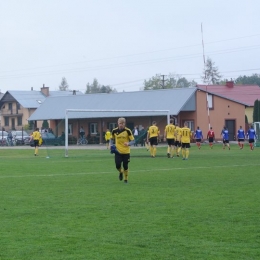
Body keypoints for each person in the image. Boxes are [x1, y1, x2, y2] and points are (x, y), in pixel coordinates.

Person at [110, 117, 135, 183]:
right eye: (120, 123)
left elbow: (133, 141)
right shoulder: (114, 131)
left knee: (125, 166)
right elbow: (111, 139)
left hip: (126, 152)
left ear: (125, 123)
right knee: (117, 165)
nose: (121, 125)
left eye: (123, 123)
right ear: (118, 123)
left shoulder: (128, 131)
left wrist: (128, 143)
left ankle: (125, 179)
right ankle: (121, 172)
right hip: (118, 151)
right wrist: (111, 145)